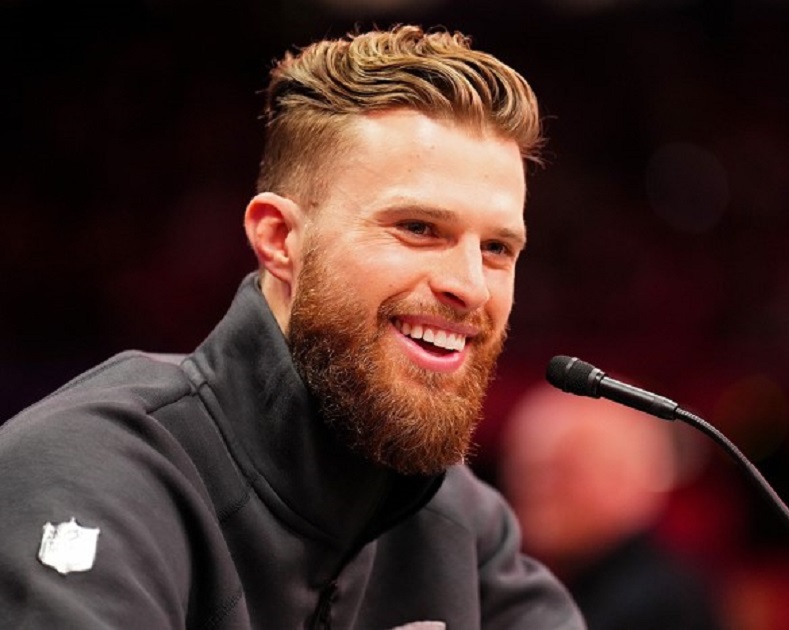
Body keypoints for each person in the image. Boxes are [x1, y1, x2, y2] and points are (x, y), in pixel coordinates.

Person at [0, 25, 586, 630]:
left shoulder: (461, 521)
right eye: (417, 228)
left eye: (496, 248)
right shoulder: (90, 472)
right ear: (279, 239)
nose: (471, 285)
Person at [499, 382, 723, 629]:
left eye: (559, 470)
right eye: (524, 468)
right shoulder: (572, 581)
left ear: (623, 478)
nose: (532, 488)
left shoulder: (653, 603)